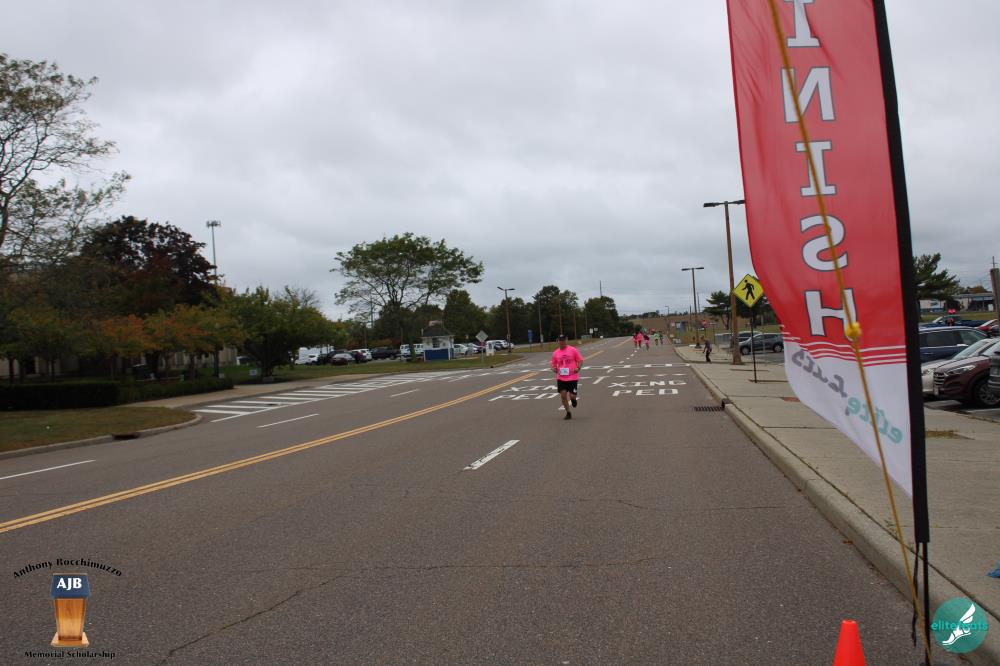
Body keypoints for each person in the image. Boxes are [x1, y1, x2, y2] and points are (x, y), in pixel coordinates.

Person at [551, 334, 583, 420]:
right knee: (563, 395)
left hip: (572, 377)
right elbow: (553, 364)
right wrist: (554, 369)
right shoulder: (555, 353)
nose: (562, 342)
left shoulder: (573, 350)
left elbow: (580, 360)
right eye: (560, 340)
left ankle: (573, 400)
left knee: (572, 396)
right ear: (558, 341)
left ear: (566, 340)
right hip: (561, 378)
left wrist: (578, 368)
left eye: (563, 340)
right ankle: (568, 412)